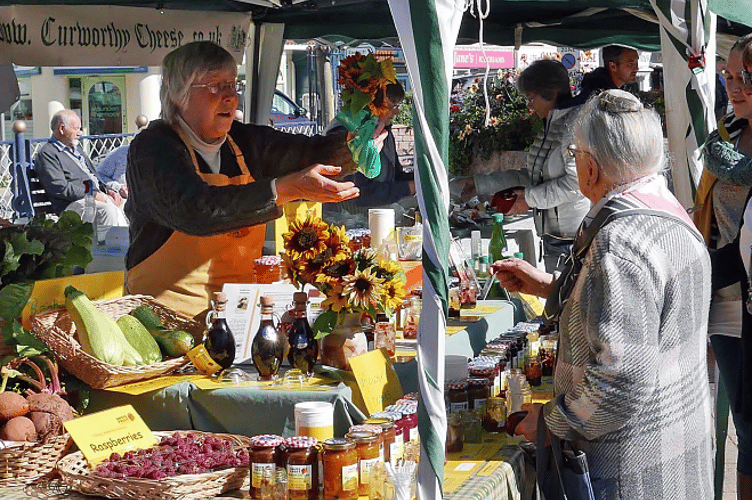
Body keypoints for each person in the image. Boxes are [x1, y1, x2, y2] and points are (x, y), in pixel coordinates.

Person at [492, 90, 713, 499]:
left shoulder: (620, 241)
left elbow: (620, 380)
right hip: (675, 454)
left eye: (575, 154)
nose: (575, 163)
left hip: (633, 471)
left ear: (591, 167)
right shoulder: (670, 215)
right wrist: (549, 288)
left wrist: (551, 421)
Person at [125, 41, 358, 320]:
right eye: (214, 86)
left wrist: (361, 133)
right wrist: (280, 190)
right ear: (178, 94)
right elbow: (196, 211)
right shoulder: (152, 147)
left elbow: (317, 154)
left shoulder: (247, 141)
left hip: (236, 316)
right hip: (163, 322)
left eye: (232, 85)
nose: (229, 97)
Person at [459, 59, 591, 271]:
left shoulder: (573, 128)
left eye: (531, 99)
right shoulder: (552, 124)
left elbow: (577, 185)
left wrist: (529, 199)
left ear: (550, 93)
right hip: (555, 238)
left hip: (572, 240)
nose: (529, 107)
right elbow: (532, 176)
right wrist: (481, 183)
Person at [697, 34, 752, 500]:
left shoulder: (725, 147)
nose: (735, 87)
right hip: (727, 297)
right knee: (747, 423)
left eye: (746, 77)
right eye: (729, 77)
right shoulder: (727, 136)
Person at [323, 81, 415, 218]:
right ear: (372, 103)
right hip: (347, 221)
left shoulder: (383, 131)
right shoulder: (345, 133)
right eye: (392, 105)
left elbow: (395, 176)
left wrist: (420, 179)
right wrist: (409, 187)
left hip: (376, 216)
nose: (397, 111)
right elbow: (360, 193)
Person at [33, 109, 128, 239]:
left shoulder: (77, 150)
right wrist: (93, 195)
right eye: (77, 129)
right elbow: (60, 187)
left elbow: (94, 177)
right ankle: (107, 254)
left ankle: (123, 249)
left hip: (94, 198)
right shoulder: (48, 153)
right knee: (107, 210)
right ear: (62, 129)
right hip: (72, 204)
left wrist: (109, 191)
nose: (80, 133)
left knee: (126, 204)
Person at [95, 114, 149, 198]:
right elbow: (99, 175)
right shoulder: (120, 153)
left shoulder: (157, 159)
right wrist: (118, 188)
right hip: (123, 201)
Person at [571, 45, 639, 105]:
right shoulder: (597, 99)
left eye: (636, 62)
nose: (636, 68)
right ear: (613, 66)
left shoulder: (616, 92)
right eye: (631, 64)